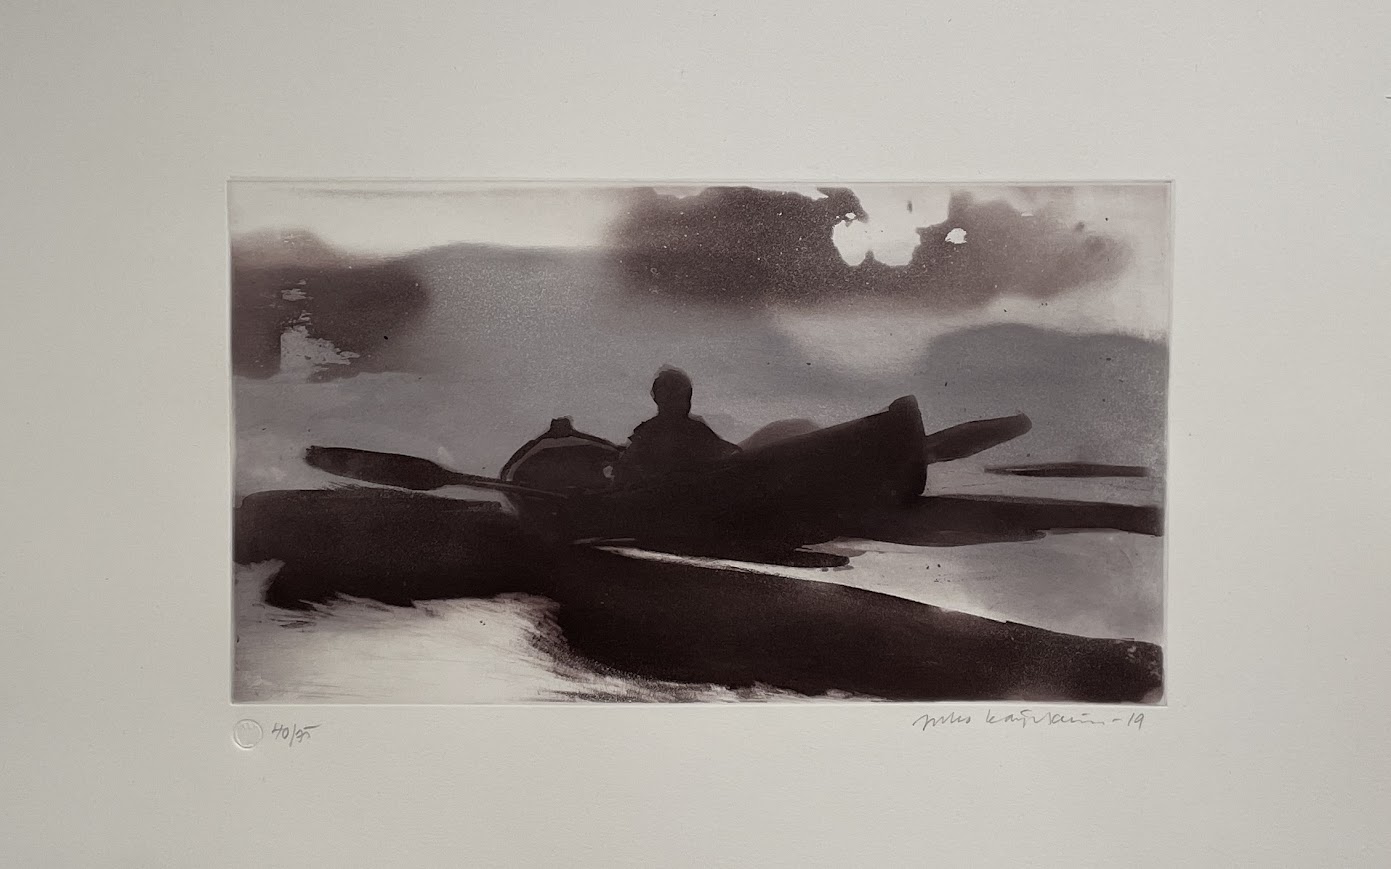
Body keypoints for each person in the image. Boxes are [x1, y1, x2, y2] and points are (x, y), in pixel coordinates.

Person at [612, 367, 740, 485]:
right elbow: (625, 469)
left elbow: (725, 452)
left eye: (685, 398)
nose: (682, 404)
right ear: (659, 400)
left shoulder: (696, 430)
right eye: (675, 398)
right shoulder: (648, 432)